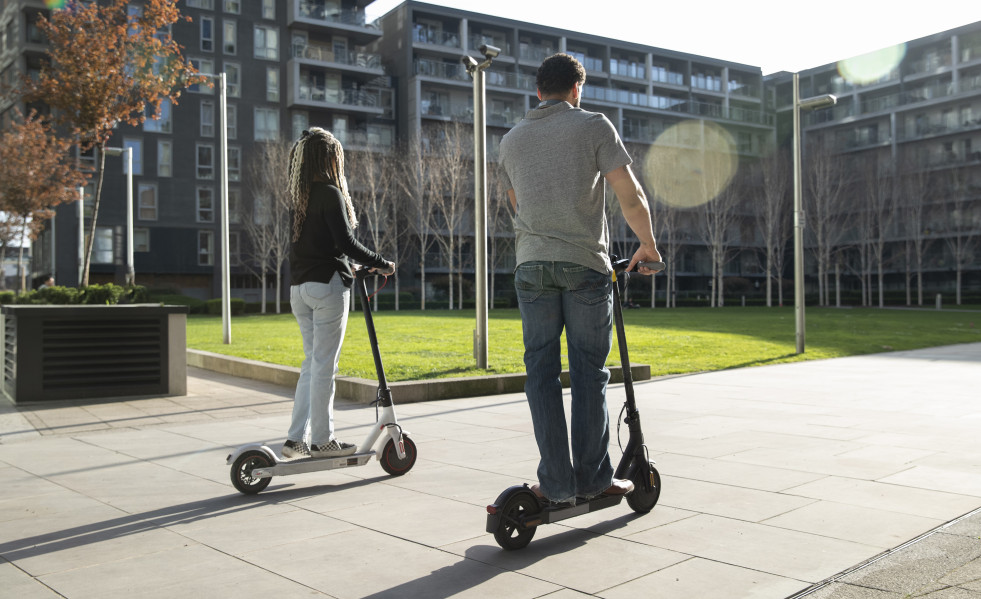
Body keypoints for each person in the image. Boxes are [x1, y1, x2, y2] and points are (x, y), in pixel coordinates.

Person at [498, 53, 662, 505]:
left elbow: (515, 204)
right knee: (589, 373)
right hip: (585, 266)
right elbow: (630, 195)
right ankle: (592, 478)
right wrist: (647, 244)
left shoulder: (510, 140)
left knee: (541, 375)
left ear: (537, 91)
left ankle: (555, 482)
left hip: (531, 267)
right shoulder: (594, 125)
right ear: (577, 89)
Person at [283, 127, 395, 459]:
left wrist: (353, 265)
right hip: (327, 289)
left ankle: (294, 440)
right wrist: (382, 262)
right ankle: (321, 440)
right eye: (335, 155)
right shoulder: (329, 193)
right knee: (324, 366)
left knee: (310, 365)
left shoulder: (299, 198)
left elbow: (322, 246)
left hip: (299, 289)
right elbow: (346, 243)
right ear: (328, 157)